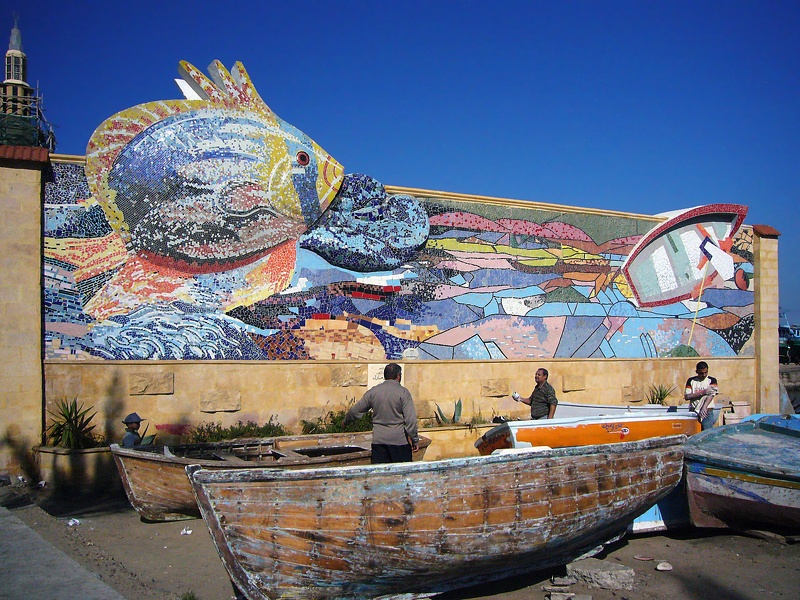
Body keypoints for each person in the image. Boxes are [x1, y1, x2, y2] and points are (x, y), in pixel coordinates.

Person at [344, 363, 420, 464]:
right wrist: (415, 440)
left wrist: (345, 422)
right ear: (398, 376)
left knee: (380, 477)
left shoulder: (373, 392)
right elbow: (410, 420)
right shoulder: (403, 393)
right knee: (401, 477)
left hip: (378, 443)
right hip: (399, 442)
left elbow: (355, 410)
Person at [685, 361, 719, 430]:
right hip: (694, 411)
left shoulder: (711, 380)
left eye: (705, 372)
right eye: (701, 373)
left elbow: (711, 395)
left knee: (706, 433)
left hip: (706, 412)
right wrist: (703, 392)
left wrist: (704, 407)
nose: (704, 375)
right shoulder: (691, 381)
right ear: (696, 371)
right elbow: (687, 396)